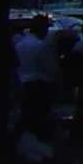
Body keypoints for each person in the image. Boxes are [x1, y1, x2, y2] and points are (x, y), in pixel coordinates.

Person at [14, 14, 61, 152]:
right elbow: (51, 68)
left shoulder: (21, 44)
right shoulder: (40, 46)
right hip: (40, 86)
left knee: (27, 118)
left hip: (25, 85)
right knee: (42, 119)